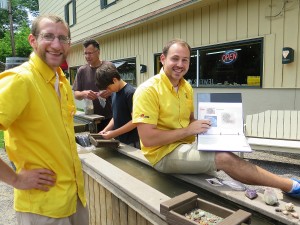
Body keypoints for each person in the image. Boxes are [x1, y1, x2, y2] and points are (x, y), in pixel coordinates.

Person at [132, 39, 300, 199]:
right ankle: (289, 185)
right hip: (162, 154)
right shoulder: (148, 90)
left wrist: (221, 130)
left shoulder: (186, 87)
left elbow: (190, 121)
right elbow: (148, 139)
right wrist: (189, 130)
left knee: (226, 149)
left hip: (186, 144)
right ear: (163, 59)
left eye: (185, 60)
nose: (180, 65)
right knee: (224, 158)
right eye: (175, 59)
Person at [0, 15, 89, 225]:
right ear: (33, 40)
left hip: (74, 198)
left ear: (69, 44)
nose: (56, 45)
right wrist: (15, 179)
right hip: (43, 207)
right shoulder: (21, 80)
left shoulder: (61, 79)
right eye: (48, 36)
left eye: (63, 38)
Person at [95, 62, 140, 148]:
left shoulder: (130, 93)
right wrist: (105, 130)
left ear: (114, 80)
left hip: (132, 142)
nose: (108, 90)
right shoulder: (114, 93)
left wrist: (114, 133)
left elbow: (135, 121)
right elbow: (116, 116)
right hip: (120, 140)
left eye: (108, 87)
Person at [72, 39, 113, 131]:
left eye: (90, 53)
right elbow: (76, 95)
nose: (87, 56)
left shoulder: (109, 66)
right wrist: (84, 94)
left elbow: (119, 88)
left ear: (98, 52)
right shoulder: (81, 71)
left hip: (110, 118)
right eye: (85, 53)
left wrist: (110, 91)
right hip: (91, 118)